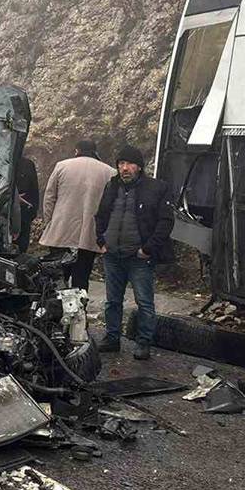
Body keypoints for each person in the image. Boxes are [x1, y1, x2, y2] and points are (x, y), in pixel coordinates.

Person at [95, 145, 175, 360]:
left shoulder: (157, 188)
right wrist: (101, 241)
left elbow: (166, 222)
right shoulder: (112, 186)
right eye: (121, 163)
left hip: (139, 257)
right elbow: (101, 215)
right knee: (112, 301)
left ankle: (143, 343)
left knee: (144, 302)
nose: (124, 168)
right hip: (112, 255)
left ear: (139, 166)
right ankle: (112, 338)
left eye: (129, 163)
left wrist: (148, 249)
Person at [39, 140, 117, 290]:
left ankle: (58, 303)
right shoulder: (109, 172)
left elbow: (49, 197)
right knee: (82, 277)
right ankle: (79, 303)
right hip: (89, 233)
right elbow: (110, 206)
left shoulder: (62, 166)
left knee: (58, 276)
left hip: (61, 231)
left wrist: (49, 222)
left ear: (76, 150)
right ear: (95, 152)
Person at [14, 155, 40, 253]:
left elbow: (34, 188)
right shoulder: (26, 164)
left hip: (24, 209)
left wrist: (33, 208)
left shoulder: (27, 164)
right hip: (9, 209)